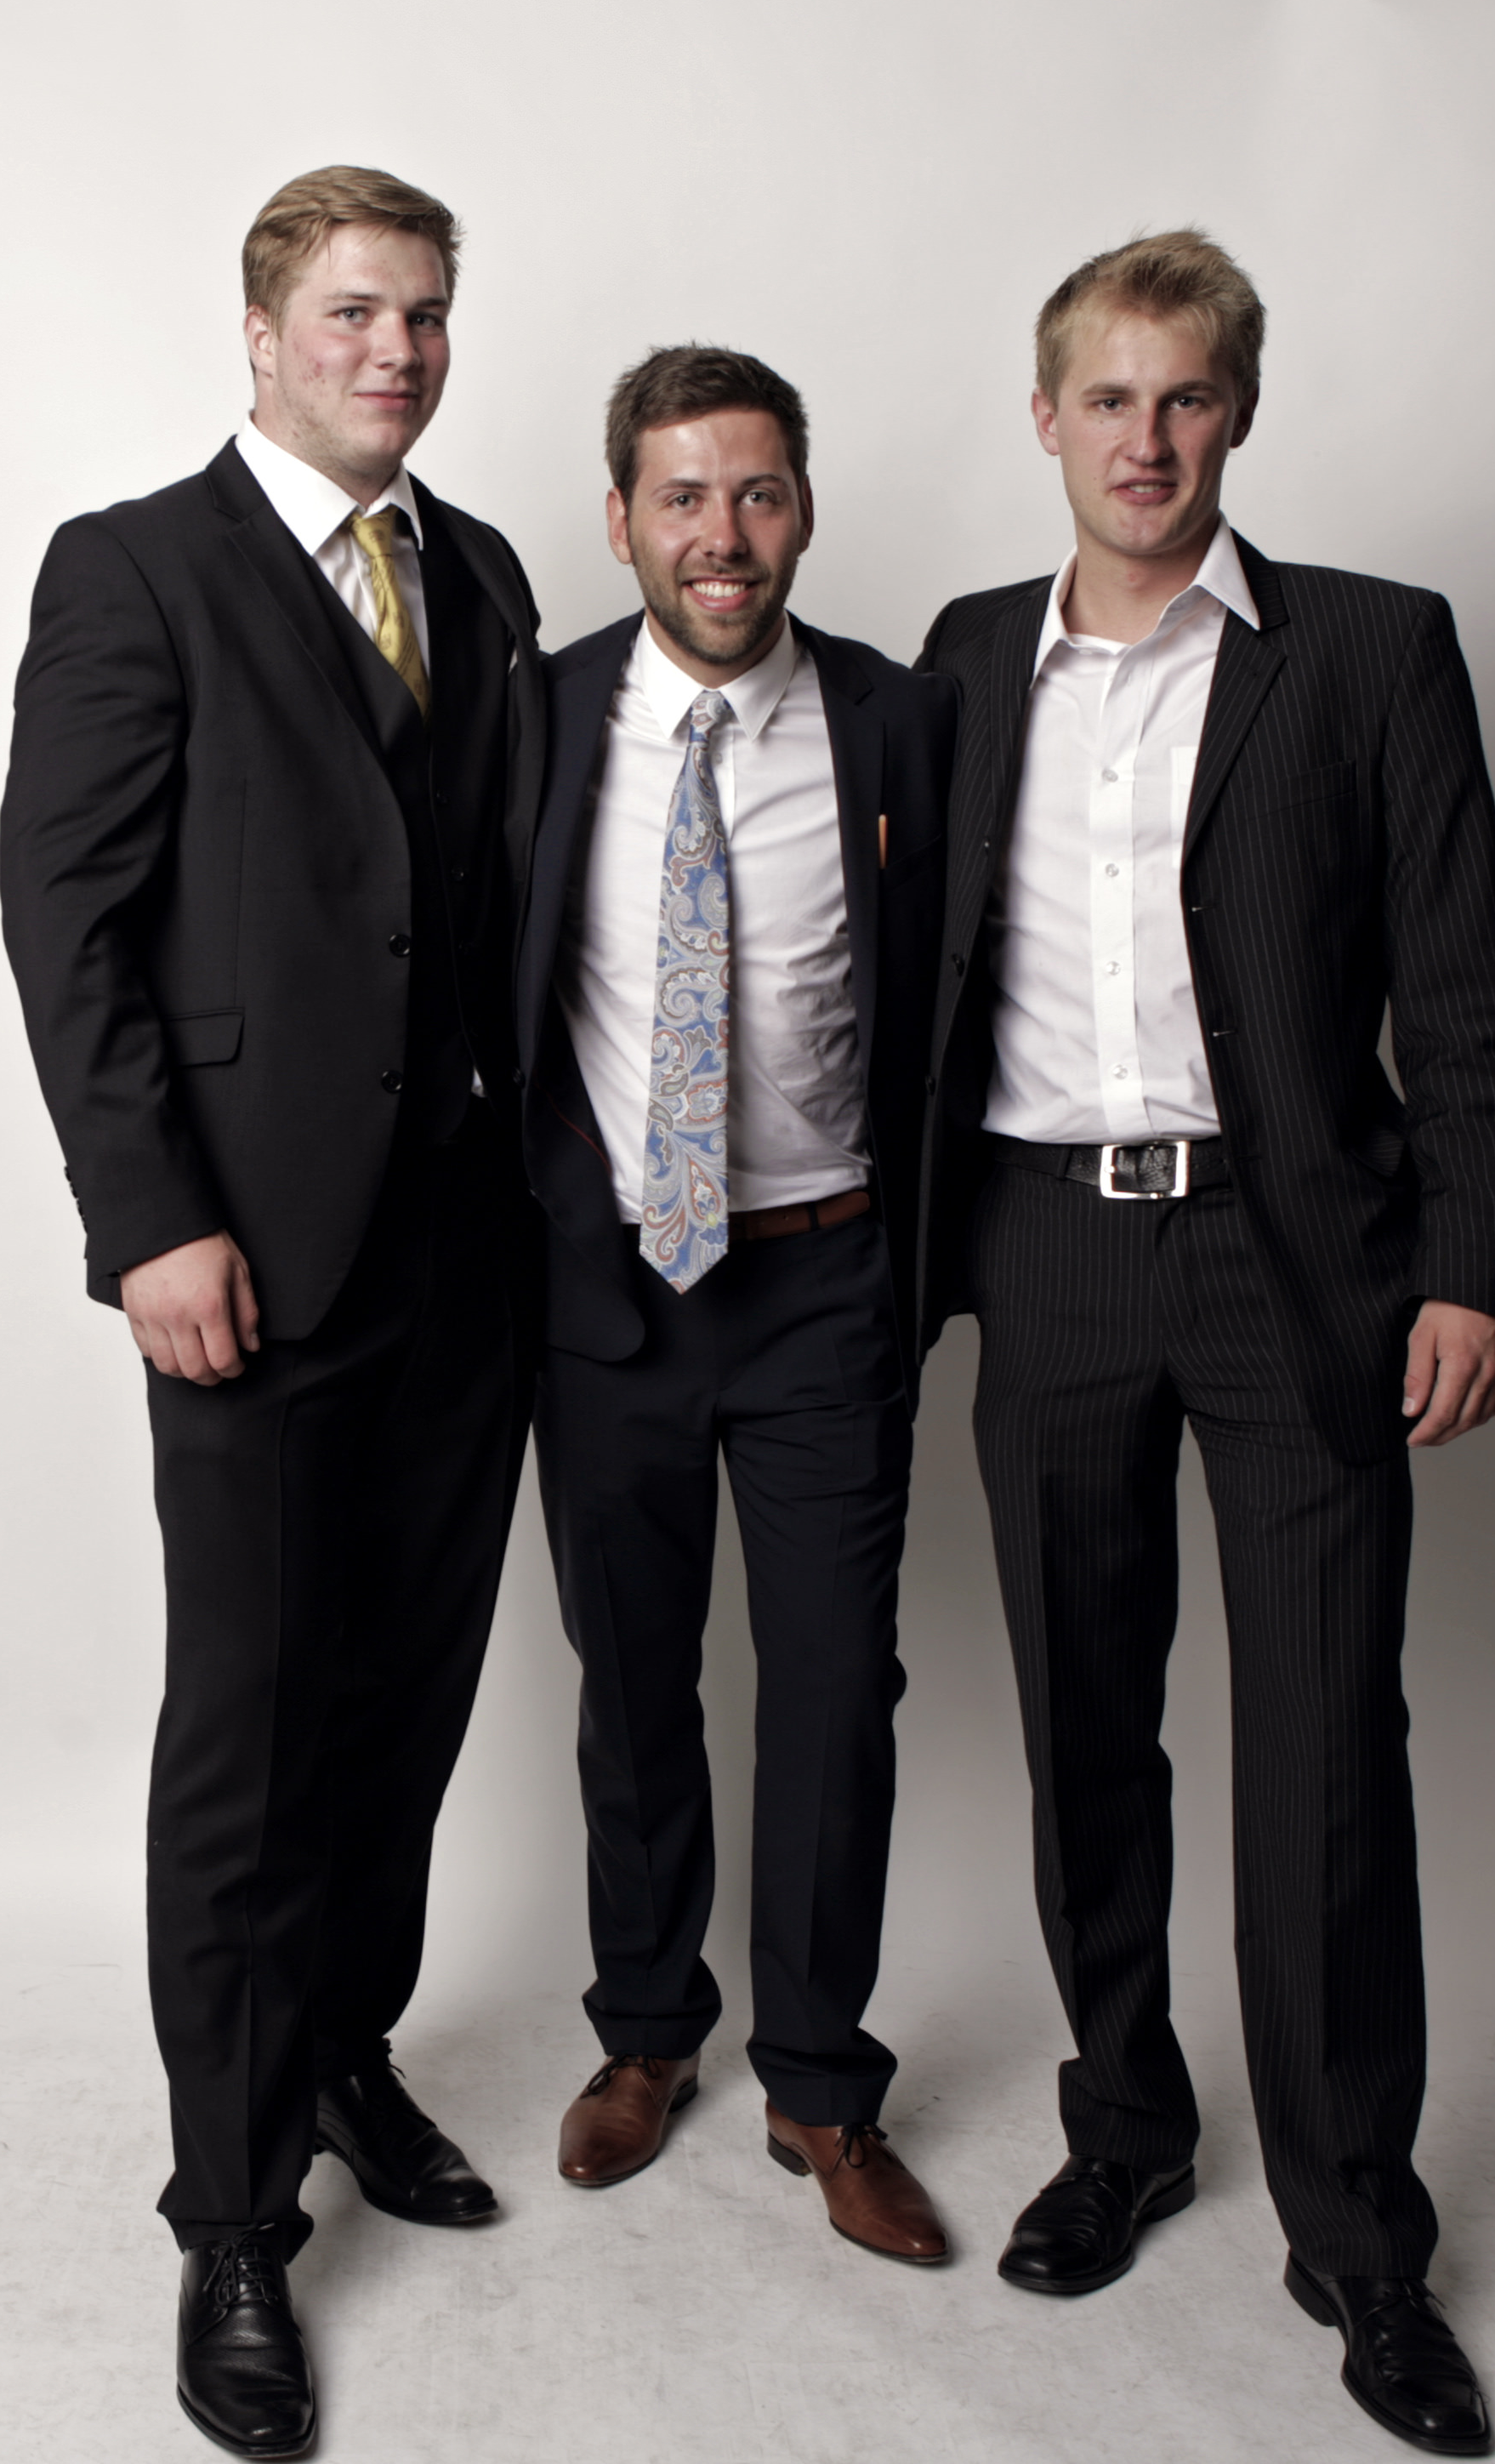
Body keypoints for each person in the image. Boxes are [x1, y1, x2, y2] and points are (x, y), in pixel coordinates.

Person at [911, 231, 1495, 2457]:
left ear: (1238, 416)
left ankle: (1359, 2228)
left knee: (1324, 1747)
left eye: (1186, 397)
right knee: (1086, 1727)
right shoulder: (963, 662)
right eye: (1110, 397)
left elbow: (1465, 989)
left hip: (1299, 1269)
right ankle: (1125, 2125)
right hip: (1047, 1252)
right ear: (1048, 418)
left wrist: (1475, 1265)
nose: (1148, 438)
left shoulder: (1370, 651)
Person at [0, 165, 541, 2462]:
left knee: (405, 1707)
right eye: (352, 313)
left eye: (423, 315)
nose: (395, 351)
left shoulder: (481, 573)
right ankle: (229, 2214)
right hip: (246, 1265)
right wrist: (152, 1223)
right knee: (249, 1731)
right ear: (260, 332)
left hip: (468, 1260)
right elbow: (67, 919)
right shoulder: (134, 569)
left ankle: (340, 2050)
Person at [513, 348, 959, 2265]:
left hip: (821, 1285)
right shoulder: (536, 718)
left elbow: (959, 991)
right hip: (607, 1289)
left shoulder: (896, 720)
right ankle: (644, 2032)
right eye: (683, 496)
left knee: (836, 1691)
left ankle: (820, 2084)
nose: (723, 534)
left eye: (757, 492)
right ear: (620, 517)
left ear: (803, 511)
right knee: (633, 1686)